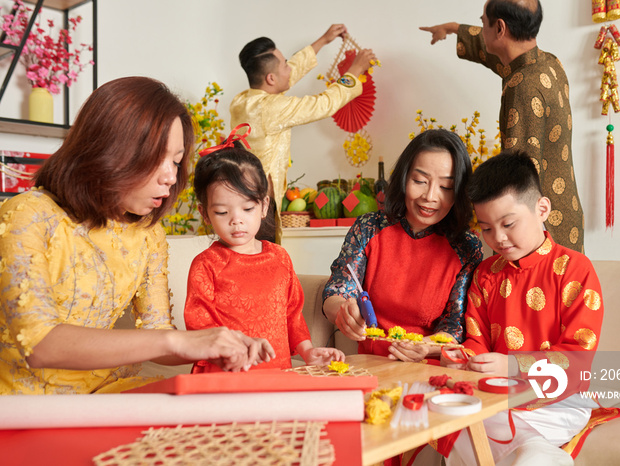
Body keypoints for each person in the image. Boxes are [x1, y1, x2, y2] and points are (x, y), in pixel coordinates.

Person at [0, 77, 274, 395]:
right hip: (26, 404)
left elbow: (158, 334)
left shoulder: (148, 234)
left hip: (112, 391)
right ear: (109, 149)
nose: (171, 178)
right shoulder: (27, 214)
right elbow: (40, 344)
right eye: (158, 159)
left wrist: (218, 345)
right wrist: (180, 340)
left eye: (175, 162)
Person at [442, 150, 603, 465]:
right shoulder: (486, 274)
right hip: (496, 397)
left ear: (542, 209)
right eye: (487, 228)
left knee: (466, 427)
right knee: (441, 412)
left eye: (508, 223)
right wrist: (459, 358)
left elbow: (578, 357)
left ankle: (532, 453)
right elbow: (476, 342)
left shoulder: (575, 269)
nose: (498, 238)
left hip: (558, 402)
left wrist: (512, 366)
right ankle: (534, 453)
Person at [420, 0, 585, 253]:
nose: (481, 28)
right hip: (565, 212)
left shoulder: (523, 87)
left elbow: (517, 174)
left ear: (500, 28)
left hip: (539, 230)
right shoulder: (548, 63)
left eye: (482, 23)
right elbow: (493, 51)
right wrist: (454, 28)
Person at [183, 136, 345, 371]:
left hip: (277, 373)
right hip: (225, 378)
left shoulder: (279, 257)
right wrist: (230, 353)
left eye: (247, 208)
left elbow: (293, 315)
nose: (236, 220)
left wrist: (308, 352)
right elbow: (200, 327)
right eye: (221, 212)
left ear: (264, 206)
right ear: (205, 214)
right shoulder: (207, 264)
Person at [323, 129, 483, 363]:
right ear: (404, 178)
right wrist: (343, 311)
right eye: (420, 181)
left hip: (429, 367)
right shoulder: (369, 228)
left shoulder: (466, 248)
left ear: (458, 192)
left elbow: (456, 328)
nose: (430, 196)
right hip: (371, 365)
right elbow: (337, 290)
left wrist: (425, 347)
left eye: (445, 187)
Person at [230, 24, 376, 242]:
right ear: (270, 78)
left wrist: (324, 40)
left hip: (244, 202)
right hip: (260, 209)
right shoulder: (271, 108)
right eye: (285, 65)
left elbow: (289, 72)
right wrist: (354, 72)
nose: (290, 69)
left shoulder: (243, 101)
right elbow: (324, 104)